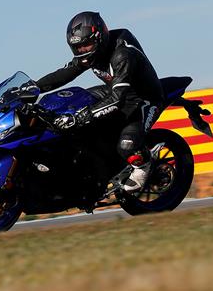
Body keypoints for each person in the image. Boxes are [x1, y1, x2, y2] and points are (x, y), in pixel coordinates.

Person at [33, 11, 165, 192]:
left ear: (100, 37)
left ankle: (144, 165)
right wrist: (33, 88)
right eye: (78, 47)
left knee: (126, 145)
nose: (83, 51)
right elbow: (65, 73)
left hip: (142, 99)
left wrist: (80, 117)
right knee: (69, 103)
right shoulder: (89, 54)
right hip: (115, 90)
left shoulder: (122, 55)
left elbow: (118, 99)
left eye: (86, 45)